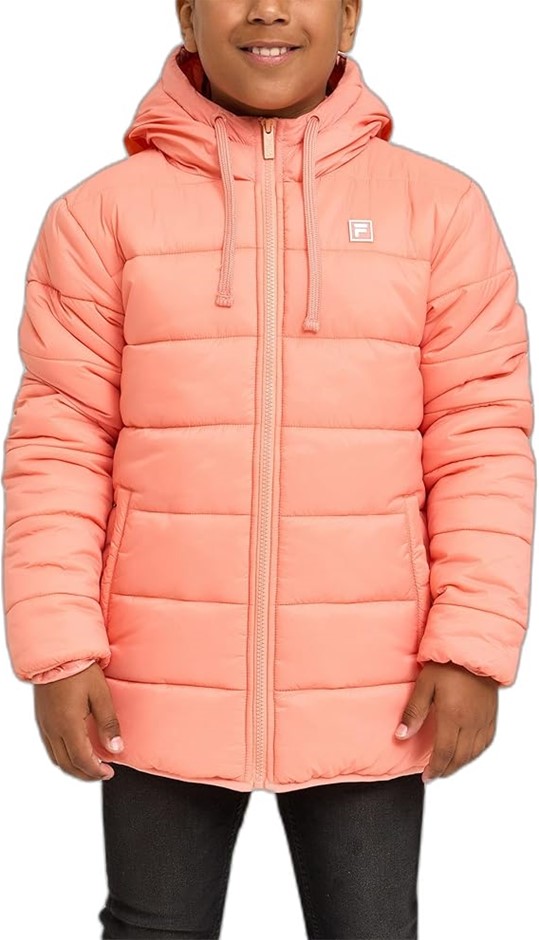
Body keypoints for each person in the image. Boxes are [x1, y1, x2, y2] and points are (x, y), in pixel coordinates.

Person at [1, 1, 535, 938]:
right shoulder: (100, 216)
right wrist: (57, 647)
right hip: (152, 674)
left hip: (374, 678)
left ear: (348, 17)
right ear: (188, 15)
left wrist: (469, 645)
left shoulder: (438, 210)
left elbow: (481, 437)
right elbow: (60, 441)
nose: (268, 10)